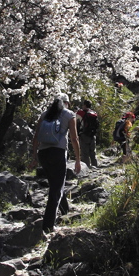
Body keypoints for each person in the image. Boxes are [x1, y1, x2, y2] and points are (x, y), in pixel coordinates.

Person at [30, 93, 81, 233]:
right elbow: (74, 138)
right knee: (56, 189)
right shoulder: (69, 114)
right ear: (67, 103)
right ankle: (48, 225)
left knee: (55, 184)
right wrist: (77, 159)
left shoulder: (44, 114)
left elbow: (35, 137)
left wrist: (34, 157)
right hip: (58, 153)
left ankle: (65, 211)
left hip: (43, 154)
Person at [76, 100, 99, 168]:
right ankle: (95, 165)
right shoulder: (94, 113)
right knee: (92, 151)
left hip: (84, 134)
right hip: (92, 134)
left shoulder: (81, 113)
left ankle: (86, 167)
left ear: (85, 105)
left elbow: (75, 118)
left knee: (84, 153)